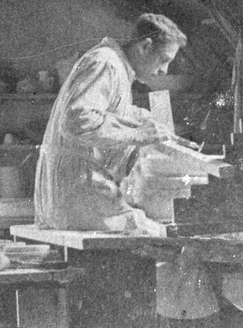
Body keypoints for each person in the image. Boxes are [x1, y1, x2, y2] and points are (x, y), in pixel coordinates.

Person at [34, 13, 191, 234]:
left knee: (149, 224)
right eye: (164, 59)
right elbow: (77, 120)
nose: (164, 70)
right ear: (145, 46)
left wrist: (144, 119)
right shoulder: (106, 63)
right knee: (156, 232)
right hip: (77, 190)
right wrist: (139, 135)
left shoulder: (115, 66)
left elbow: (109, 110)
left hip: (72, 190)